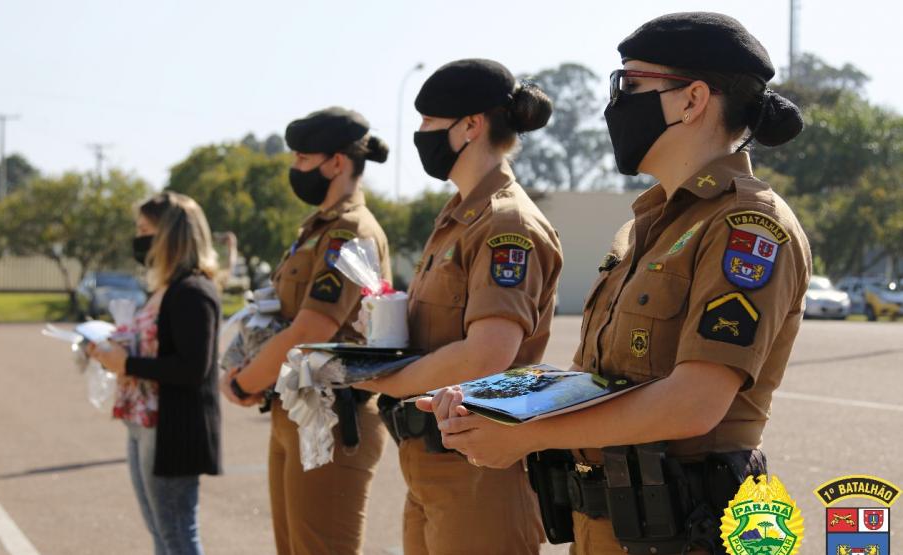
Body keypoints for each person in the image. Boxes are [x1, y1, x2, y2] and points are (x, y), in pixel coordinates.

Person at [426, 13, 811, 555]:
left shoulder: (747, 225)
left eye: (629, 84)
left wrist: (527, 437)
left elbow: (695, 402)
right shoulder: (643, 227)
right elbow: (597, 379)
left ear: (692, 99)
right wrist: (494, 403)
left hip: (686, 532)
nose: (615, 104)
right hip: (605, 524)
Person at [354, 58, 563, 555]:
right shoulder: (457, 217)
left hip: (479, 467)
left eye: (429, 122)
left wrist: (379, 380)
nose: (420, 133)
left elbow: (488, 355)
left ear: (471, 125)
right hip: (431, 458)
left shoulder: (505, 223)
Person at [219, 107, 391, 555]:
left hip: (332, 418)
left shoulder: (349, 231)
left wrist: (243, 382)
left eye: (302, 159)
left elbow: (312, 328)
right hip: (294, 409)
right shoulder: (317, 229)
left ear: (337, 162)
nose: (295, 170)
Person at [89, 191, 222, 555]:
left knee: (176, 533)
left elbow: (194, 367)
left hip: (171, 430)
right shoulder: (165, 289)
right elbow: (160, 347)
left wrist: (127, 364)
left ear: (171, 235)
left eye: (145, 229)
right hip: (144, 422)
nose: (139, 237)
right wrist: (113, 349)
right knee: (162, 532)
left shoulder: (193, 291)